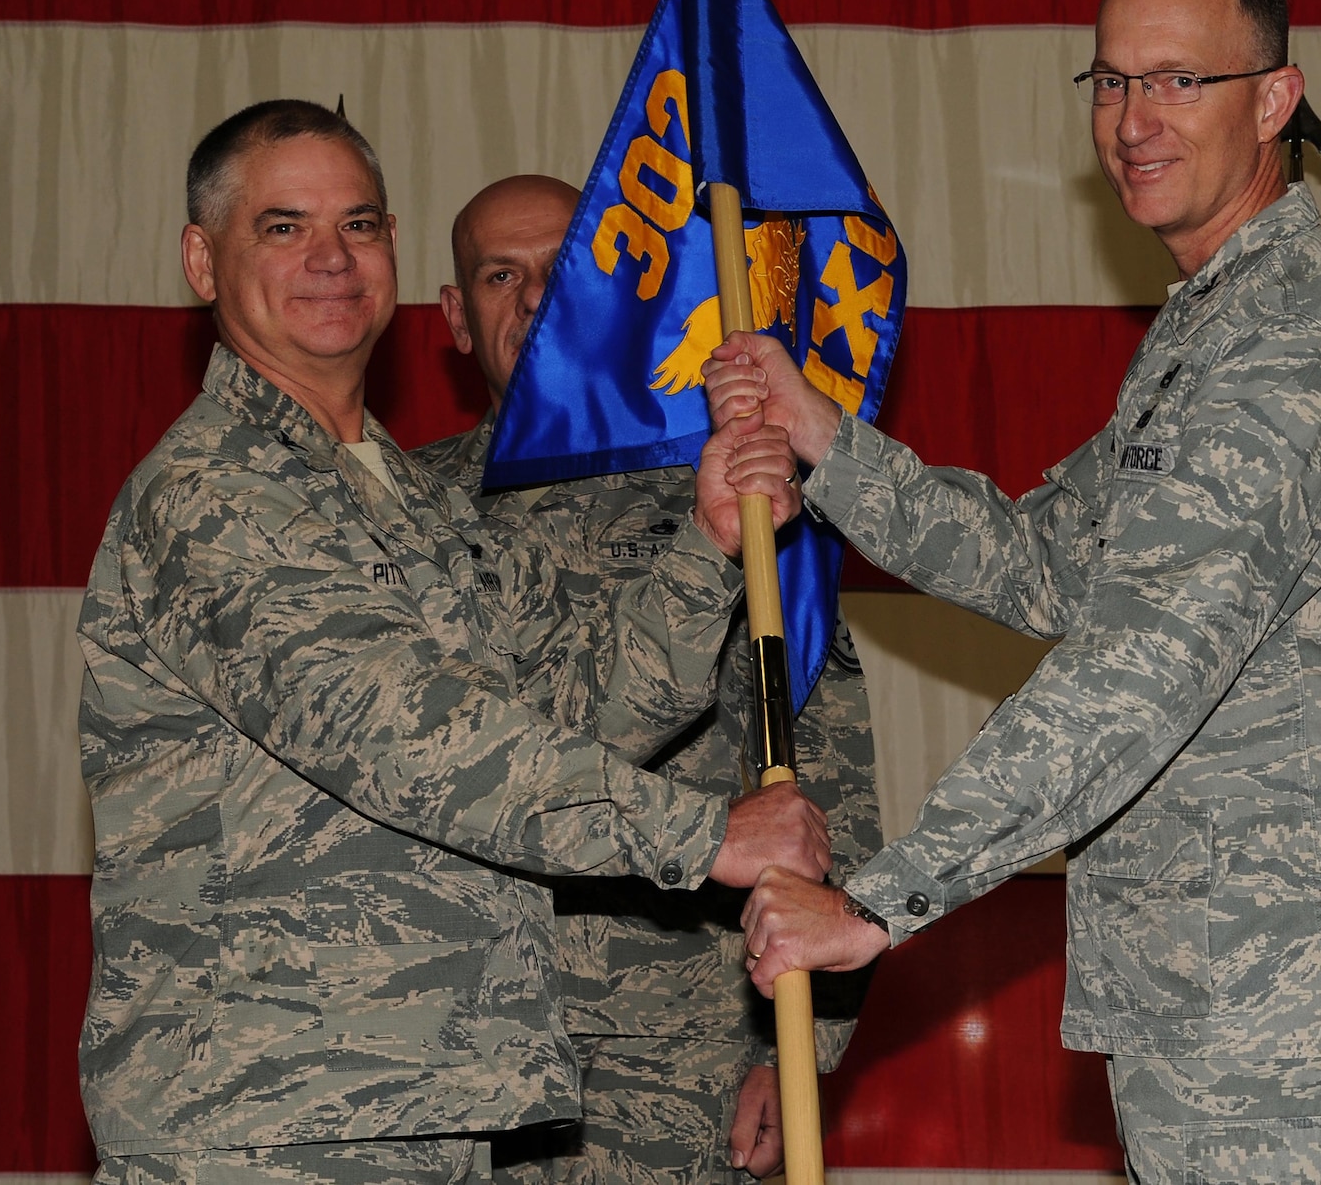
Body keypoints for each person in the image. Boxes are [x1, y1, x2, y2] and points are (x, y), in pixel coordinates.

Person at [710, 0, 1321, 1183]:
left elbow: (1140, 662)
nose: (1133, 119)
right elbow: (1045, 563)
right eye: (1111, 81)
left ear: (1273, 100)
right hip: (1219, 1001)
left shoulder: (1285, 348)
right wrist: (827, 446)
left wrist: (880, 898)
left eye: (1179, 80)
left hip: (1297, 1014)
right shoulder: (1207, 333)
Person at [78, 100, 831, 1185]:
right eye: (283, 227)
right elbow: (412, 739)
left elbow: (583, 711)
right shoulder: (216, 490)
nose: (332, 258)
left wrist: (707, 544)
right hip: (265, 1112)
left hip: (421, 1100)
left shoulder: (409, 502)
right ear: (203, 259)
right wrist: (705, 833)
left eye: (361, 224)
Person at [415, 176, 883, 1183]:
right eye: (502, 276)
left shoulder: (733, 492)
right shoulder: (397, 512)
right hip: (447, 1036)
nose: (536, 298)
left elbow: (821, 764)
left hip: (673, 1054)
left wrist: (796, 1046)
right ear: (455, 316)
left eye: (562, 270)